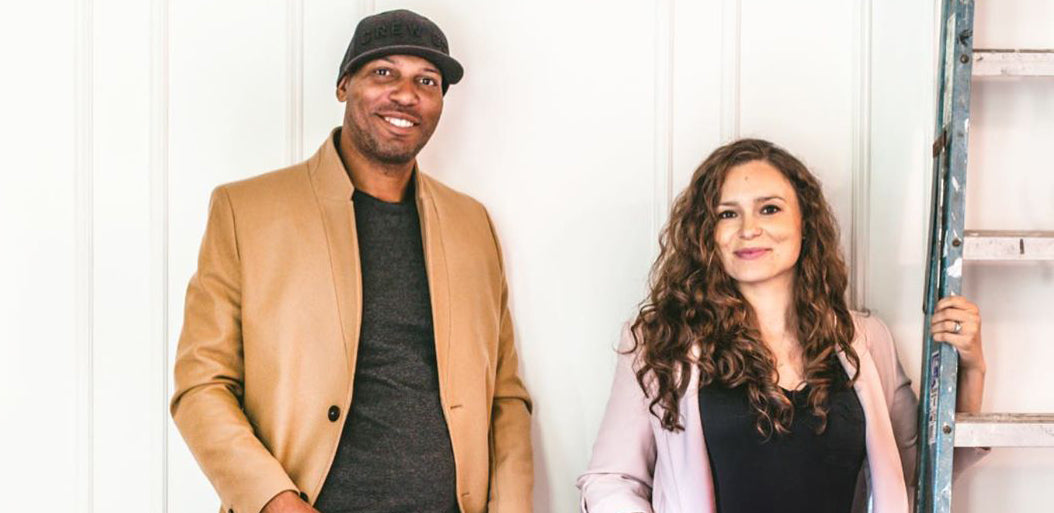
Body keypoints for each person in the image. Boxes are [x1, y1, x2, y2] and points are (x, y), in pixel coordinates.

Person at [170, 9, 532, 513]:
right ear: (344, 85)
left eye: (426, 80)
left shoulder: (473, 224)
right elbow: (202, 384)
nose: (406, 94)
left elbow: (506, 398)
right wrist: (275, 502)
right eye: (384, 72)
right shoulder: (246, 211)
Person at [576, 139, 987, 513]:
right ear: (706, 233)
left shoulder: (863, 339)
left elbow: (916, 469)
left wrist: (971, 368)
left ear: (804, 222)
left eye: (769, 208)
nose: (749, 229)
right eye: (727, 214)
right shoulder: (662, 341)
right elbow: (612, 481)